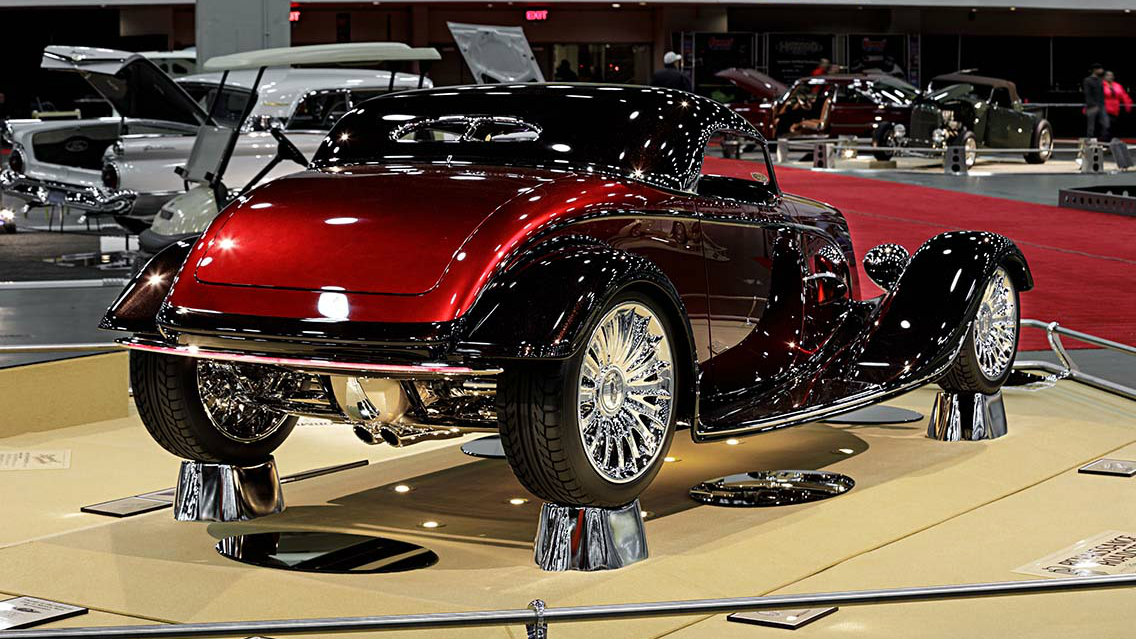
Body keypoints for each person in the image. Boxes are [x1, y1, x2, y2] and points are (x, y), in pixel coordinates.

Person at [1103, 71, 1132, 139]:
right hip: (1103, 111)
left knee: (1112, 130)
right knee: (1106, 129)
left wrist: (1128, 106)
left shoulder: (1117, 86)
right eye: (1108, 75)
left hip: (1115, 111)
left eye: (1111, 75)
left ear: (1113, 77)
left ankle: (1110, 143)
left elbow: (1124, 96)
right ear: (1104, 77)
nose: (1110, 77)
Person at [1083, 63, 1108, 140]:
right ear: (1095, 70)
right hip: (1092, 106)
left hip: (1101, 105)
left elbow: (1102, 93)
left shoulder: (1100, 80)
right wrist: (1092, 105)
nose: (1102, 70)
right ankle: (1090, 142)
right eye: (1100, 69)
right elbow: (1087, 94)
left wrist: (1102, 104)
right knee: (1091, 127)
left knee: (1105, 124)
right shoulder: (1087, 80)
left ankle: (1103, 141)